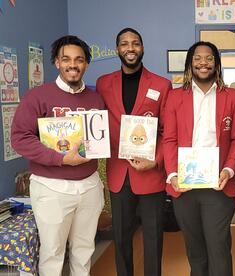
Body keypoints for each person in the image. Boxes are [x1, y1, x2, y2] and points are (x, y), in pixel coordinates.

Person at [11, 35, 105, 276]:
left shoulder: (96, 98)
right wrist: (60, 159)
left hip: (89, 186)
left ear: (86, 64)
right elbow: (20, 138)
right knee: (52, 252)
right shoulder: (37, 96)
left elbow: (100, 138)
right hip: (51, 187)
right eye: (66, 59)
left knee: (84, 249)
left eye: (79, 60)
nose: (72, 65)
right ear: (56, 62)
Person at [163, 41, 235, 276]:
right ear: (190, 64)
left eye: (209, 58)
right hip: (184, 185)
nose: (203, 63)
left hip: (218, 185)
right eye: (197, 58)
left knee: (218, 247)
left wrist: (229, 170)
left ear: (216, 64)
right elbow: (169, 140)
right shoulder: (176, 97)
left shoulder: (232, 97)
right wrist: (172, 174)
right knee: (195, 249)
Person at [96, 28, 171, 276]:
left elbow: (167, 131)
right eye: (125, 44)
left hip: (151, 173)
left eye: (135, 43)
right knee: (121, 238)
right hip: (119, 174)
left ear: (142, 48)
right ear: (117, 49)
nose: (130, 48)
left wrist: (157, 160)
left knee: (153, 237)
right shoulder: (103, 83)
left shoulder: (161, 85)